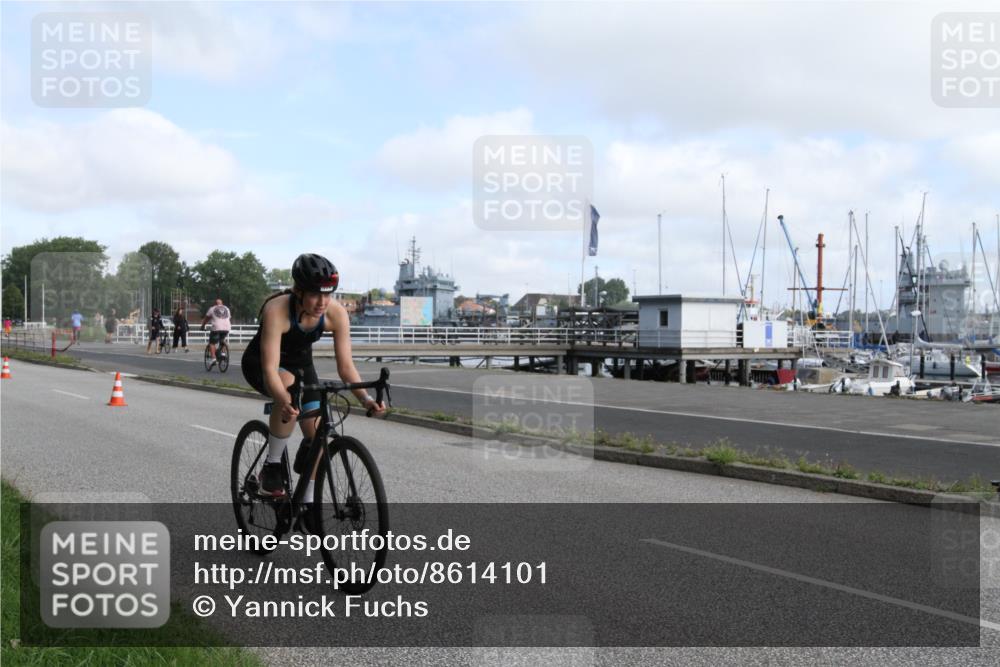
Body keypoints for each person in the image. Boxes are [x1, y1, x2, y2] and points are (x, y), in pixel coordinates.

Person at [242, 253, 386, 497]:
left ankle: (307, 501)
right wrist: (283, 401)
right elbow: (270, 369)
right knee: (286, 386)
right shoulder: (276, 310)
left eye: (328, 294)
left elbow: (346, 367)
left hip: (301, 365)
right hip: (261, 363)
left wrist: (366, 399)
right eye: (315, 294)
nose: (322, 302)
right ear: (298, 291)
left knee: (318, 433)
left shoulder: (335, 313)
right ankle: (272, 466)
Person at [201, 298, 232, 368]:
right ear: (222, 303)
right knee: (222, 340)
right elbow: (228, 318)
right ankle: (223, 354)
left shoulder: (212, 308)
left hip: (216, 328)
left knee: (212, 343)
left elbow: (206, 318)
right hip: (226, 327)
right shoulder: (227, 308)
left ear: (215, 304)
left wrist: (203, 326)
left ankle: (213, 359)